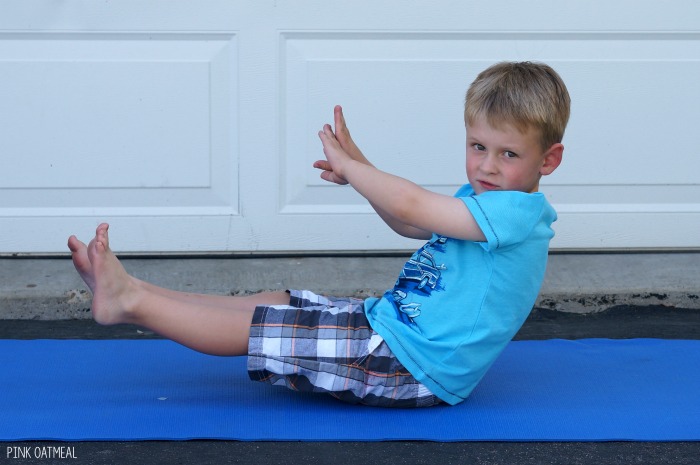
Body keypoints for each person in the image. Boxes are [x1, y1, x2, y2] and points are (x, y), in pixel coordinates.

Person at [68, 61, 570, 408]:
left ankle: (128, 303)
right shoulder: (484, 198)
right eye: (478, 146)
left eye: (508, 154)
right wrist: (361, 170)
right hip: (389, 328)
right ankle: (138, 289)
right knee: (278, 301)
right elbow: (410, 222)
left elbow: (412, 203)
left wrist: (352, 168)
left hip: (414, 367)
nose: (486, 165)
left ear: (548, 159)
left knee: (264, 331)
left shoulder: (517, 213)